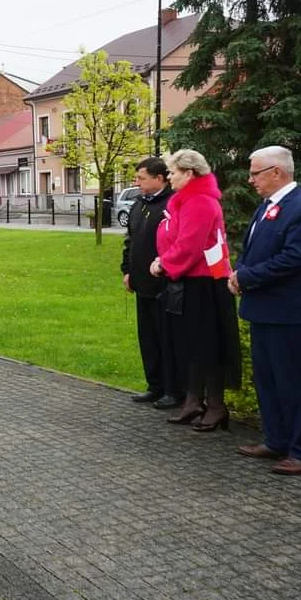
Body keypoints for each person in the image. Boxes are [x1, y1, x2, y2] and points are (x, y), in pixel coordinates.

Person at [230, 146, 301, 476]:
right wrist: (239, 271)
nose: (250, 179)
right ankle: (275, 440)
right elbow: (253, 249)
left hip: (288, 311)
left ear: (276, 172)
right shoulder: (268, 206)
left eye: (255, 172)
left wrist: (247, 276)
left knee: (291, 382)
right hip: (263, 308)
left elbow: (293, 260)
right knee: (266, 379)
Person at [150, 149, 241, 432]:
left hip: (205, 285)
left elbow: (190, 244)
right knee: (191, 346)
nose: (169, 177)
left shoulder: (200, 202)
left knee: (207, 347)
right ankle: (193, 401)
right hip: (189, 281)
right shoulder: (185, 200)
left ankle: (215, 406)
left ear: (189, 174)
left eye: (174, 172)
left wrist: (164, 263)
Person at [120, 157, 180, 408]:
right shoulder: (138, 205)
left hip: (164, 285)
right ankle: (154, 385)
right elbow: (130, 241)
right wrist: (127, 270)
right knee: (148, 338)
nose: (137, 183)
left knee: (167, 338)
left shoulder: (171, 204)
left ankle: (173, 389)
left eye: (141, 178)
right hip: (141, 283)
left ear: (160, 178)